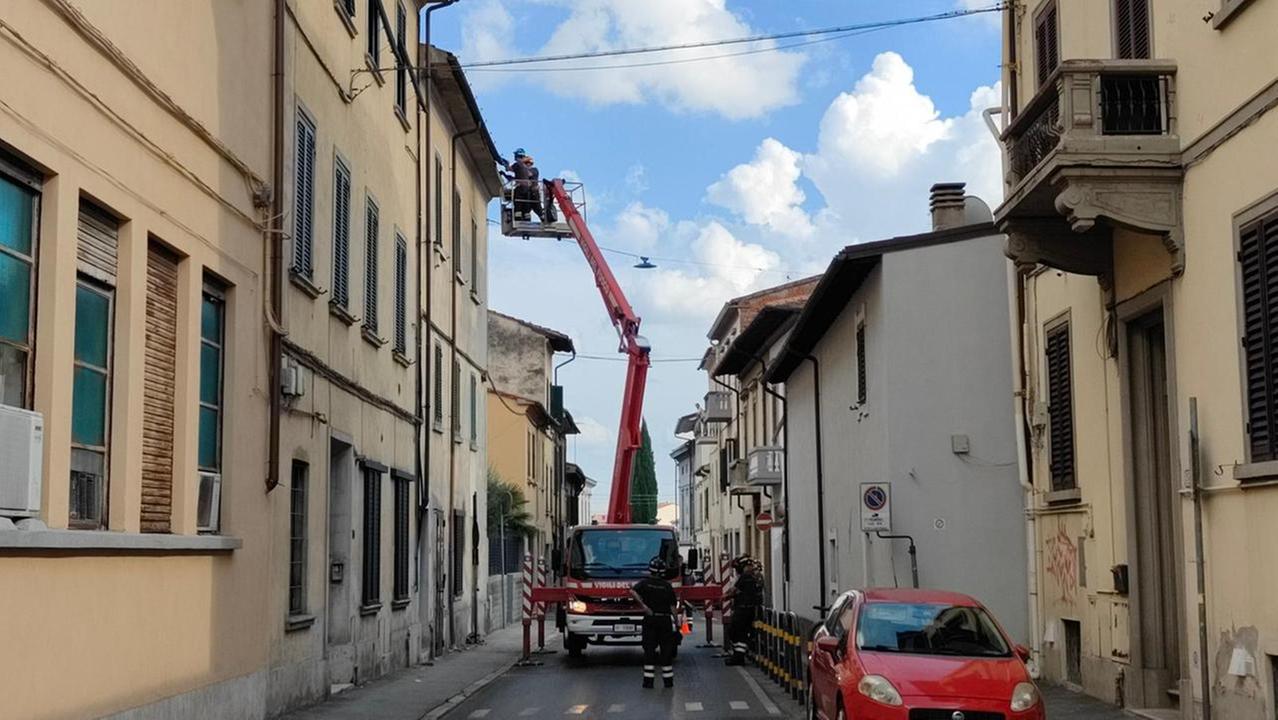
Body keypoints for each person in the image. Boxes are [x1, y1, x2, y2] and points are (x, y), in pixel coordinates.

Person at [630, 556, 679, 688]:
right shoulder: (667, 586)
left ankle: (648, 681)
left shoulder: (645, 583)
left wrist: (644, 607)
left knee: (649, 651)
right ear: (663, 571)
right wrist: (677, 623)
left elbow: (633, 591)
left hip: (650, 620)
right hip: (664, 621)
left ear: (650, 570)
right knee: (666, 651)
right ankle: (668, 682)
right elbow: (672, 608)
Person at [724, 555, 763, 666]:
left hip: (743, 610)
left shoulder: (745, 577)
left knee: (734, 632)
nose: (737, 571)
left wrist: (724, 597)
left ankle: (738, 657)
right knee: (740, 633)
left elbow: (734, 591)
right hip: (748, 610)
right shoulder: (752, 577)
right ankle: (738, 656)